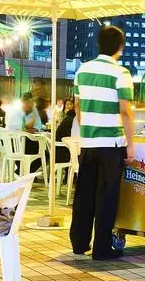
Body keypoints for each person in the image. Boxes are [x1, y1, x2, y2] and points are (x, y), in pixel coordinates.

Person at [69, 26, 135, 260]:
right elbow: (125, 111)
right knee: (106, 196)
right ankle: (102, 248)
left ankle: (79, 243)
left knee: (84, 194)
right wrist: (130, 144)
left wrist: (87, 129)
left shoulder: (82, 70)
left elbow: (77, 106)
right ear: (120, 46)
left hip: (88, 142)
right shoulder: (121, 73)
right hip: (111, 144)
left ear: (98, 44)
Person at [55, 98, 76, 164]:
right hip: (63, 148)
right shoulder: (69, 117)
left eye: (71, 104)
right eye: (67, 104)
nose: (69, 106)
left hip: (60, 146)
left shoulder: (70, 117)